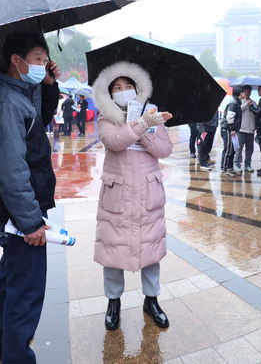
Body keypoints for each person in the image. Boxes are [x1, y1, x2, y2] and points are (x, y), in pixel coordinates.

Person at [0, 32, 60, 364]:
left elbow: (37, 123)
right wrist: (30, 221)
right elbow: (11, 169)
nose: (42, 65)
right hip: (19, 213)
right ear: (17, 60)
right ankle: (16, 357)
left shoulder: (17, 96)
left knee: (12, 279)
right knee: (26, 292)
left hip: (16, 211)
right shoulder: (5, 104)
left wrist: (50, 84)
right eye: (39, 58)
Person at [90, 61, 173, 331]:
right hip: (118, 195)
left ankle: (152, 300)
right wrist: (140, 126)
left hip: (148, 193)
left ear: (138, 89)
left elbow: (165, 150)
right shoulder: (105, 117)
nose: (123, 90)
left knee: (150, 248)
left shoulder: (152, 113)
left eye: (128, 86)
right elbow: (114, 141)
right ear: (109, 92)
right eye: (117, 87)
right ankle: (113, 302)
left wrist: (148, 134)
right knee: (114, 249)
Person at [220, 86, 244, 177]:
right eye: (244, 92)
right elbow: (230, 118)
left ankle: (230, 167)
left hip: (231, 129)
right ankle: (224, 170)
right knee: (228, 150)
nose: (245, 94)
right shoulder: (234, 103)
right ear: (240, 93)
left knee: (232, 150)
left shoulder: (236, 102)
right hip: (228, 129)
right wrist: (232, 129)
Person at [236, 85, 256, 172]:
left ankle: (248, 164)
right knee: (239, 148)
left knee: (250, 149)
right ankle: (237, 163)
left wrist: (252, 105)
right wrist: (246, 104)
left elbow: (256, 113)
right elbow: (238, 111)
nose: (248, 93)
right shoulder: (240, 102)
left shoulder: (254, 102)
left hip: (251, 129)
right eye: (246, 91)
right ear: (243, 92)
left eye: (249, 91)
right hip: (241, 129)